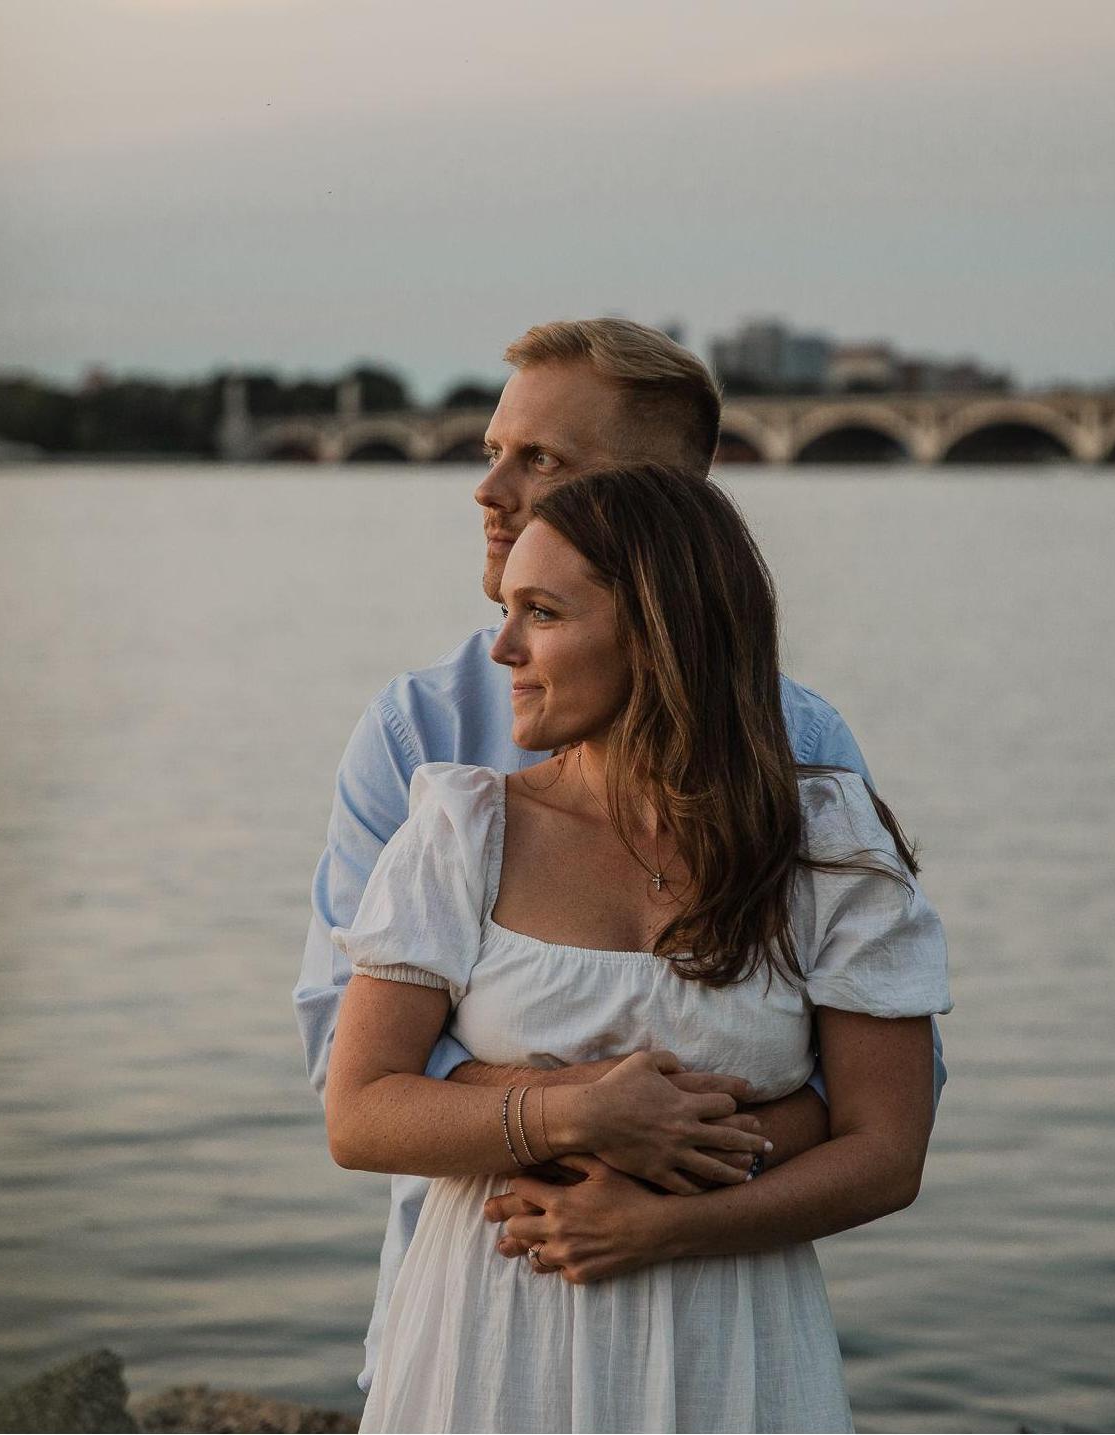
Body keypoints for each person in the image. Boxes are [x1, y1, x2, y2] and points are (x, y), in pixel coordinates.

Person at [291, 317, 948, 1399]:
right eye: (492, 450)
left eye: (541, 460)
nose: (490, 489)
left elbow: (877, 1101)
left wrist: (664, 1202)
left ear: (664, 518)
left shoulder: (813, 780)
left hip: (726, 1337)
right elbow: (348, 1068)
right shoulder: (425, 751)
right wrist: (591, 1109)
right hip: (479, 1296)